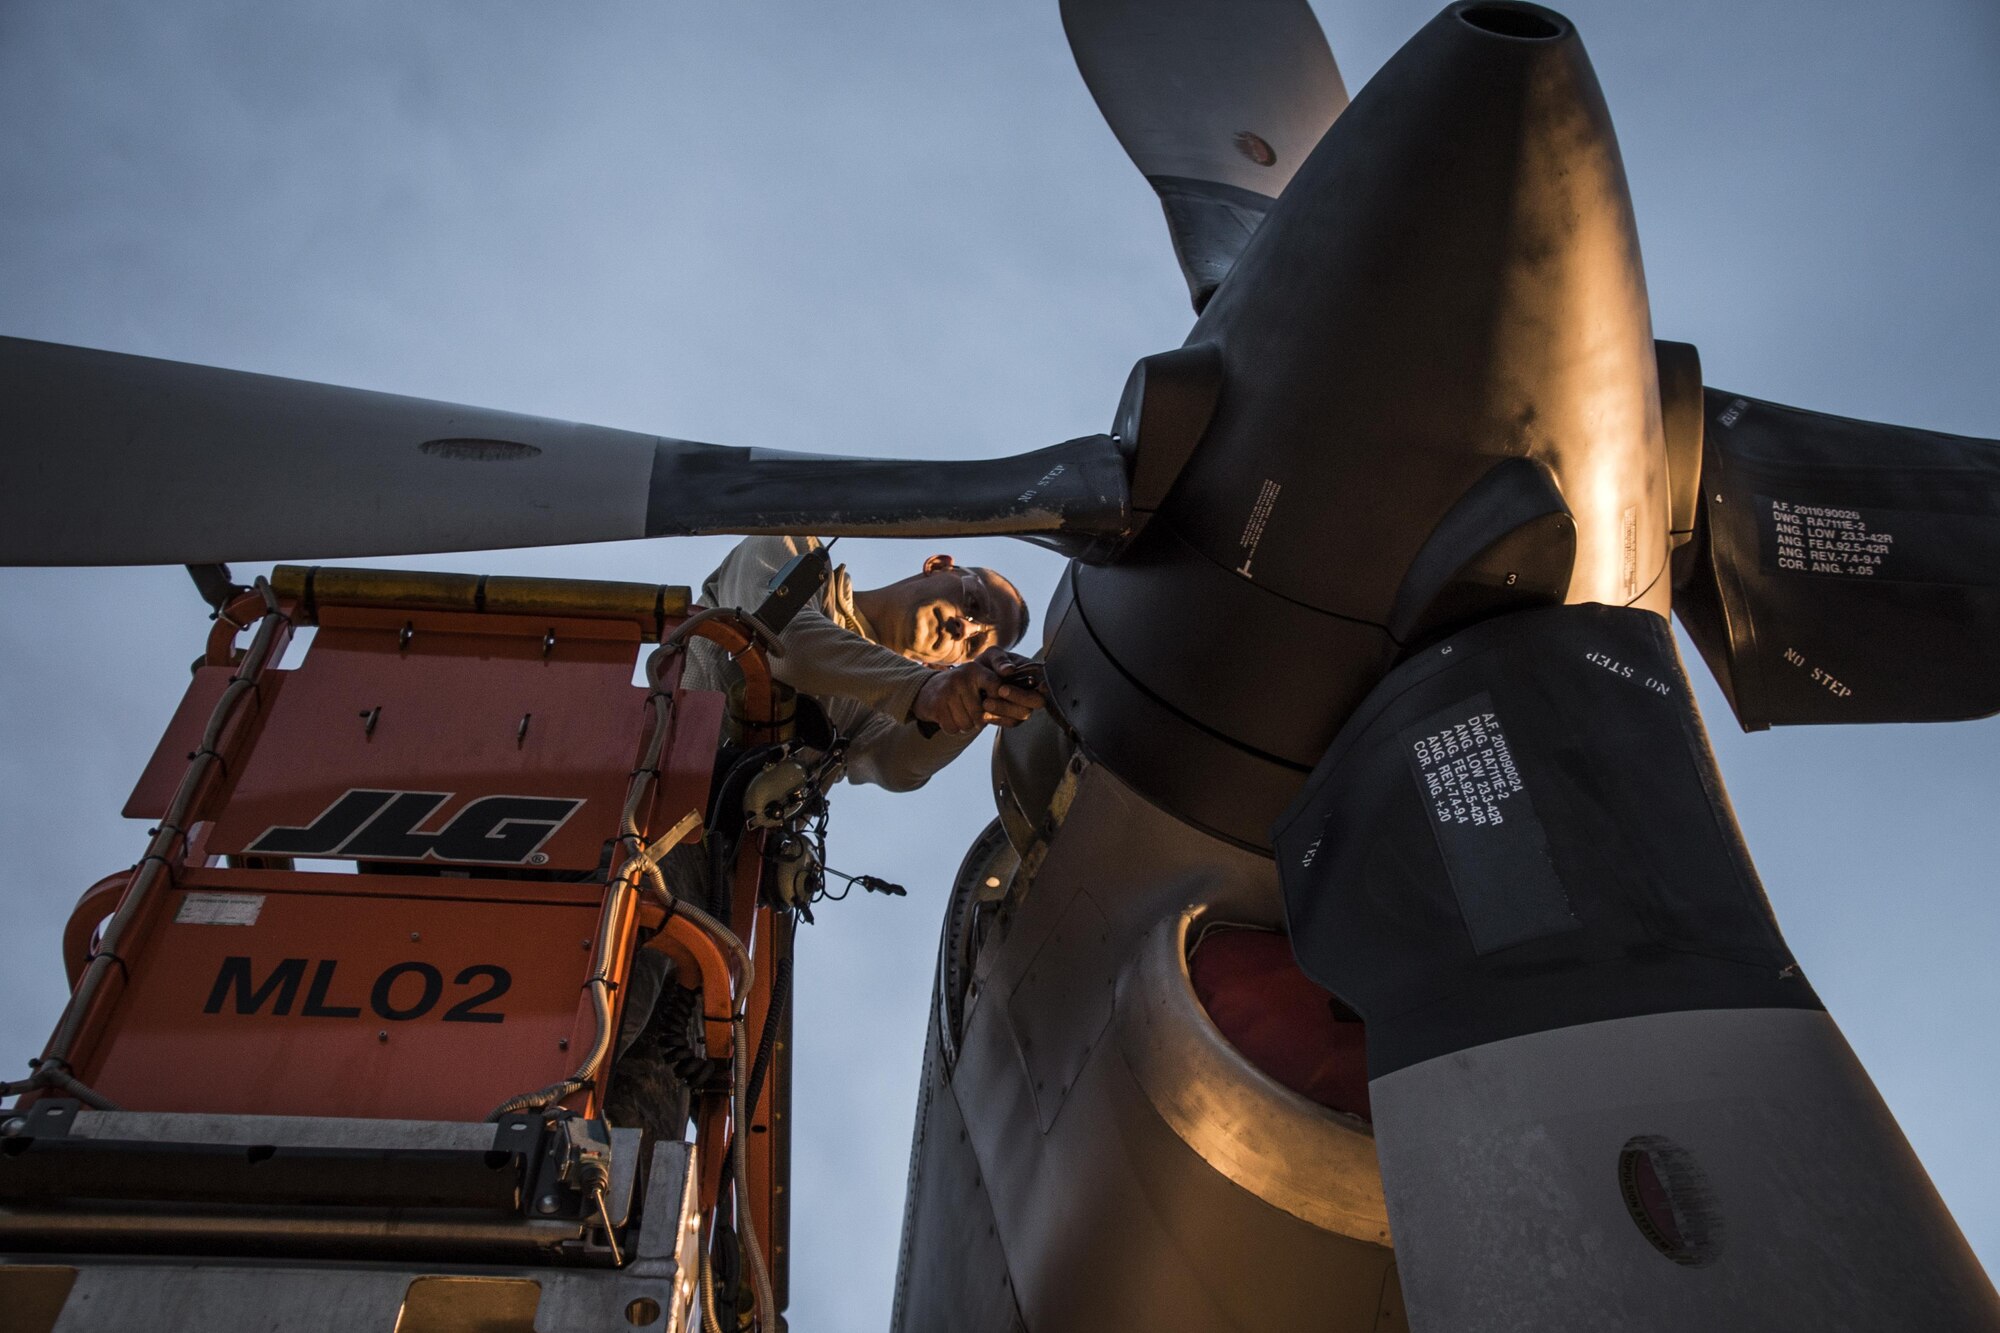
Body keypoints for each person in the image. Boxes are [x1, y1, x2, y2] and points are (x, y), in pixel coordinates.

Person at [681, 535, 1044, 788]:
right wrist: (922, 689)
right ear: (940, 565)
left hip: (719, 877)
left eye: (973, 647)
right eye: (974, 605)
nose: (961, 628)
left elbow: (897, 765)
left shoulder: (890, 706)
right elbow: (780, 641)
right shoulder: (792, 549)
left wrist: (978, 703)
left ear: (948, 668)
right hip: (648, 781)